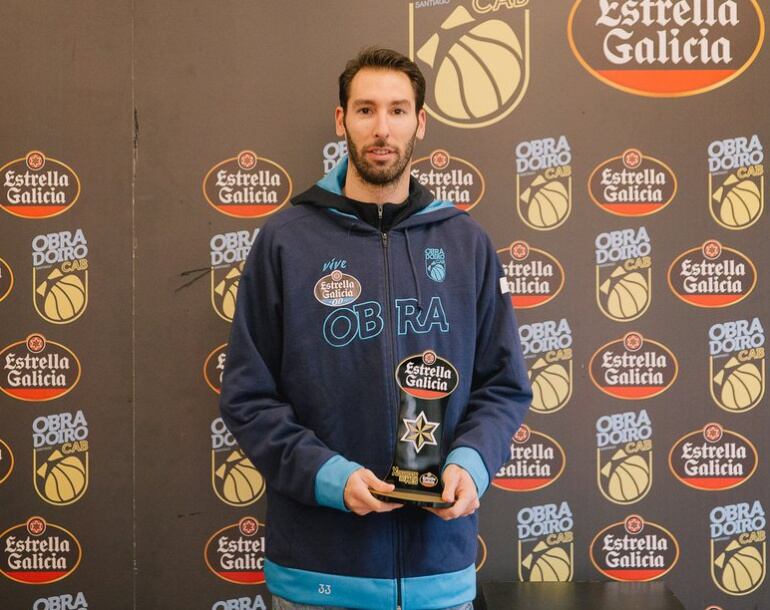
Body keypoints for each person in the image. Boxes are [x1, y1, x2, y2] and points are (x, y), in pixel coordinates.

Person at [220, 47, 532, 610]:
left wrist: (471, 464)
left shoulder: (466, 243)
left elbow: (504, 386)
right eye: (365, 110)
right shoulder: (286, 241)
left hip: (439, 574)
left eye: (397, 110)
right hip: (316, 574)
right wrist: (327, 476)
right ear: (341, 121)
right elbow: (248, 397)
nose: (382, 128)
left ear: (420, 122)